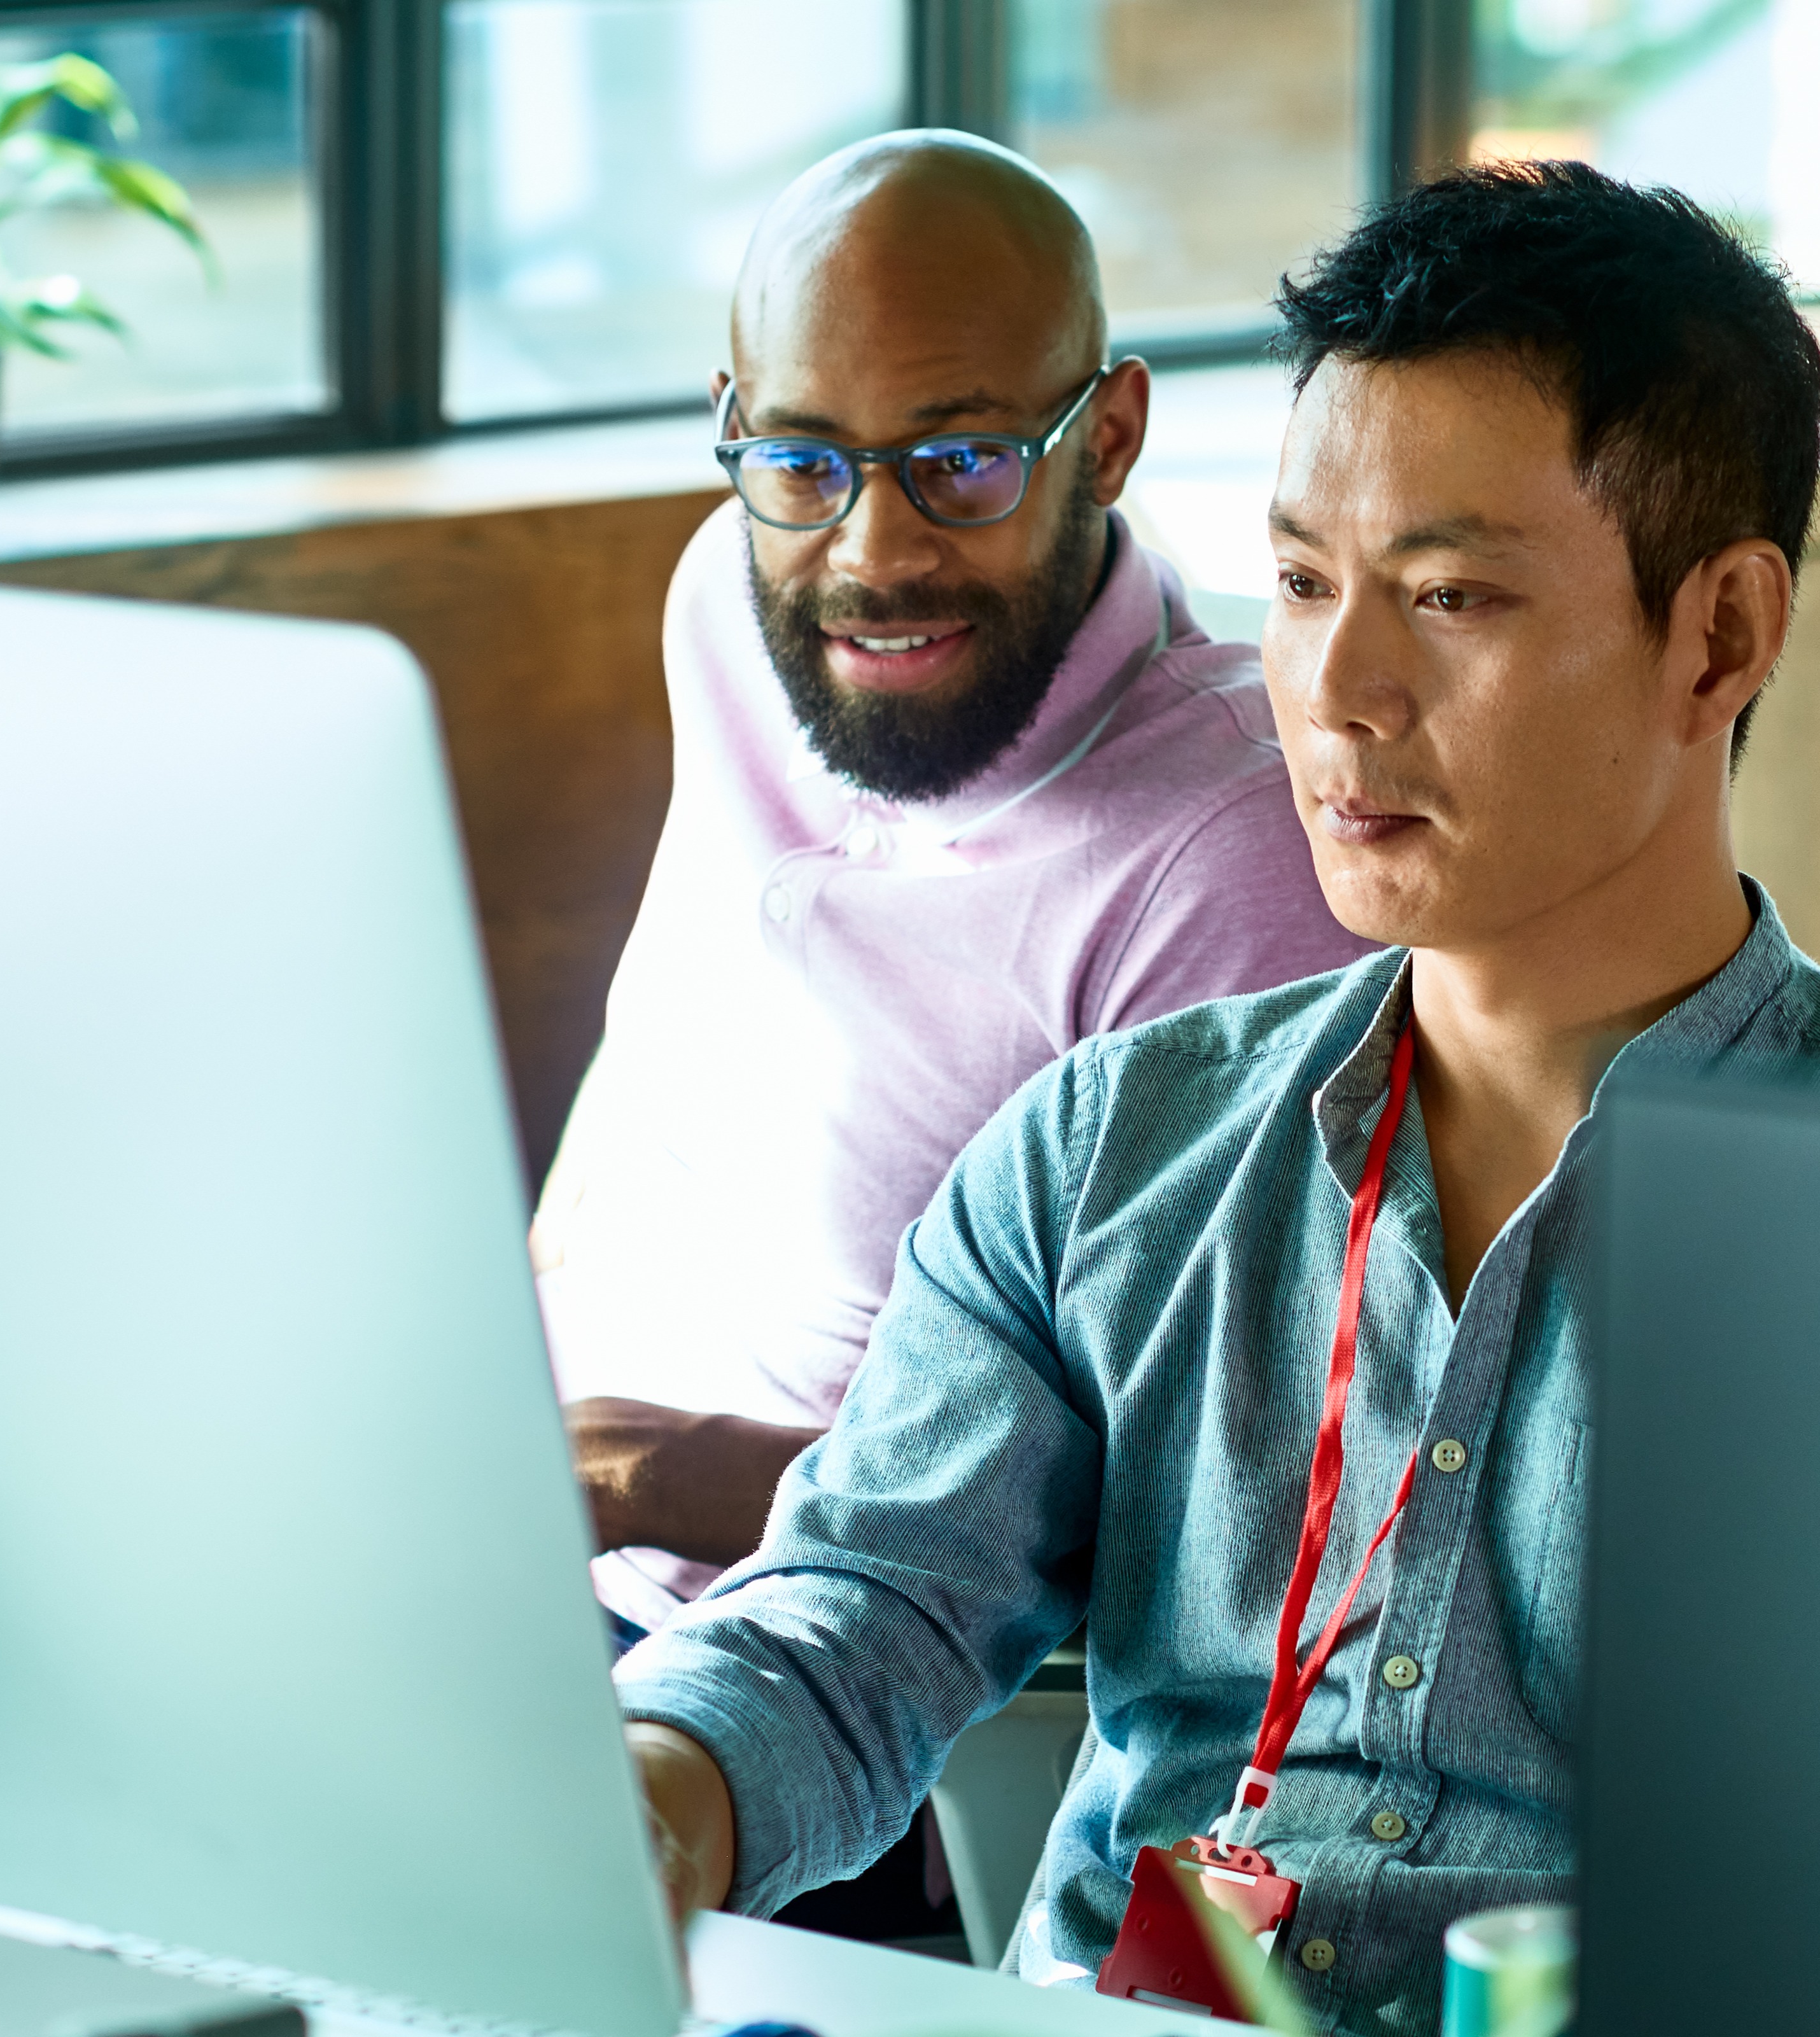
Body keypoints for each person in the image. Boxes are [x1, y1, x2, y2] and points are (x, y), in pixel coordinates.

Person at [611, 160, 1820, 2030]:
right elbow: (865, 1608)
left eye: (1450, 595)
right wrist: (651, 1793)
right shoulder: (1105, 1151)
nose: (1338, 690)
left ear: (1718, 635)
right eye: (1304, 582)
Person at [533, 131, 1371, 1637]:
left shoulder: (1232, 850)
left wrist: (645, 1475)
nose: (872, 553)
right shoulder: (730, 597)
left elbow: (1204, 1501)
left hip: (831, 1667)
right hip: (527, 1537)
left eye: (961, 461)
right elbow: (653, 1052)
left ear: (1106, 438)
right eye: (804, 461)